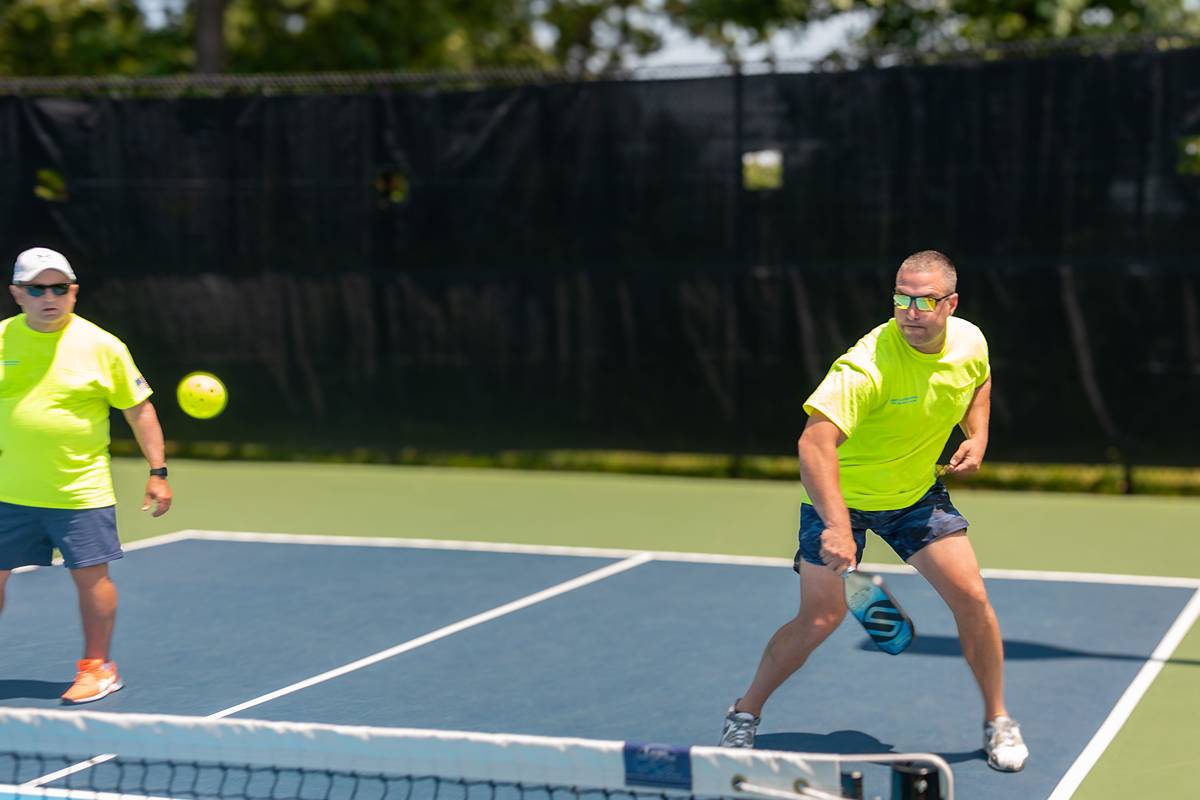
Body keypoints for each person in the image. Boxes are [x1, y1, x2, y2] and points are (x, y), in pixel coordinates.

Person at [719, 250, 1029, 773]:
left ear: (950, 304)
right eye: (901, 299)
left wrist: (978, 436)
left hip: (914, 497)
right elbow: (813, 445)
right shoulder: (865, 366)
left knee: (973, 598)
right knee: (821, 618)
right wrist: (838, 526)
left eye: (924, 301)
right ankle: (744, 713)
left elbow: (979, 381)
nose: (910, 311)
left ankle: (998, 719)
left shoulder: (970, 341)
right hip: (840, 499)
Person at [0, 247, 172, 704]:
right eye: (37, 289)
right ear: (17, 293)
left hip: (80, 492)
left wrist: (158, 471)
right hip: (8, 491)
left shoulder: (103, 346)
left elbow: (139, 411)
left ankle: (98, 668)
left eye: (59, 288)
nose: (49, 297)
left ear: (74, 292)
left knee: (91, 579)